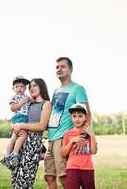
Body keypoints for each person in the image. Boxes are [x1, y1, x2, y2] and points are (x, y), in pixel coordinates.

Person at [45, 57, 92, 189]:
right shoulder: (56, 91)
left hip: (64, 138)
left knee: (65, 177)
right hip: (51, 138)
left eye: (62, 66)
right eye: (57, 67)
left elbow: (87, 113)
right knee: (49, 177)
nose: (59, 69)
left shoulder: (77, 89)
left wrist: (83, 136)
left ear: (70, 69)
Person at [11, 78, 52, 189]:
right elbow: (17, 116)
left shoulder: (46, 103)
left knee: (25, 180)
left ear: (41, 86)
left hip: (33, 143)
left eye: (34, 85)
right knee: (15, 178)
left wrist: (21, 126)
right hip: (21, 141)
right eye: (30, 87)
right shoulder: (28, 104)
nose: (31, 88)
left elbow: (41, 126)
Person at [61, 103, 98, 189]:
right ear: (71, 117)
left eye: (80, 116)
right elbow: (63, 154)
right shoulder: (68, 134)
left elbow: (94, 151)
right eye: (74, 116)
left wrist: (91, 135)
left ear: (85, 117)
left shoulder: (89, 132)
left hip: (87, 168)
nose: (77, 119)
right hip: (72, 168)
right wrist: (71, 141)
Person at [0, 75, 31, 169]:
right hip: (19, 118)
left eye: (22, 86)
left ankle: (6, 156)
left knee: (14, 137)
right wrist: (22, 102)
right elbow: (13, 108)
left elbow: (33, 101)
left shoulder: (27, 97)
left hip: (24, 119)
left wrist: (30, 99)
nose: (19, 88)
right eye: (17, 86)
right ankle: (15, 153)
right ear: (13, 88)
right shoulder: (15, 97)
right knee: (23, 135)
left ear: (25, 88)